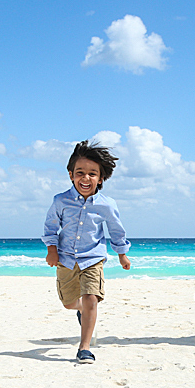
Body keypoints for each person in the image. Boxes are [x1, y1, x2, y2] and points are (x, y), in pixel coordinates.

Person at [42, 141, 132, 364]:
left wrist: (122, 253)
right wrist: (51, 250)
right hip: (65, 259)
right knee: (70, 302)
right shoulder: (60, 201)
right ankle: (80, 310)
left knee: (91, 298)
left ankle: (84, 348)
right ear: (71, 174)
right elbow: (50, 227)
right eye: (80, 173)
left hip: (93, 258)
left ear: (100, 178)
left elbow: (116, 229)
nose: (86, 178)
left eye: (92, 174)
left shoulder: (107, 205)